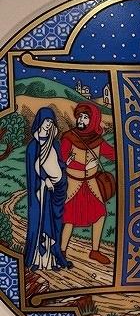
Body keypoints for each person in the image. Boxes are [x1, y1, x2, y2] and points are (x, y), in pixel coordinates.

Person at [60, 102, 115, 265]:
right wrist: (84, 166)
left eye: (85, 117)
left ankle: (95, 251)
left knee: (100, 214)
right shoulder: (69, 137)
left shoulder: (98, 140)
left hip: (91, 184)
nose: (81, 120)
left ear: (93, 120)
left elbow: (113, 154)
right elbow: (62, 159)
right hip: (73, 183)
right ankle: (61, 251)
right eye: (80, 116)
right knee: (68, 218)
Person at [25, 108, 72, 272]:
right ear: (40, 121)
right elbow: (34, 170)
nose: (48, 124)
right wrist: (45, 180)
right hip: (42, 192)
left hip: (56, 190)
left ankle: (53, 260)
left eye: (51, 122)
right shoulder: (33, 146)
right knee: (41, 222)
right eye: (46, 121)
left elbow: (58, 164)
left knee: (55, 223)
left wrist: (66, 164)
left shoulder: (55, 144)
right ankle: (38, 260)